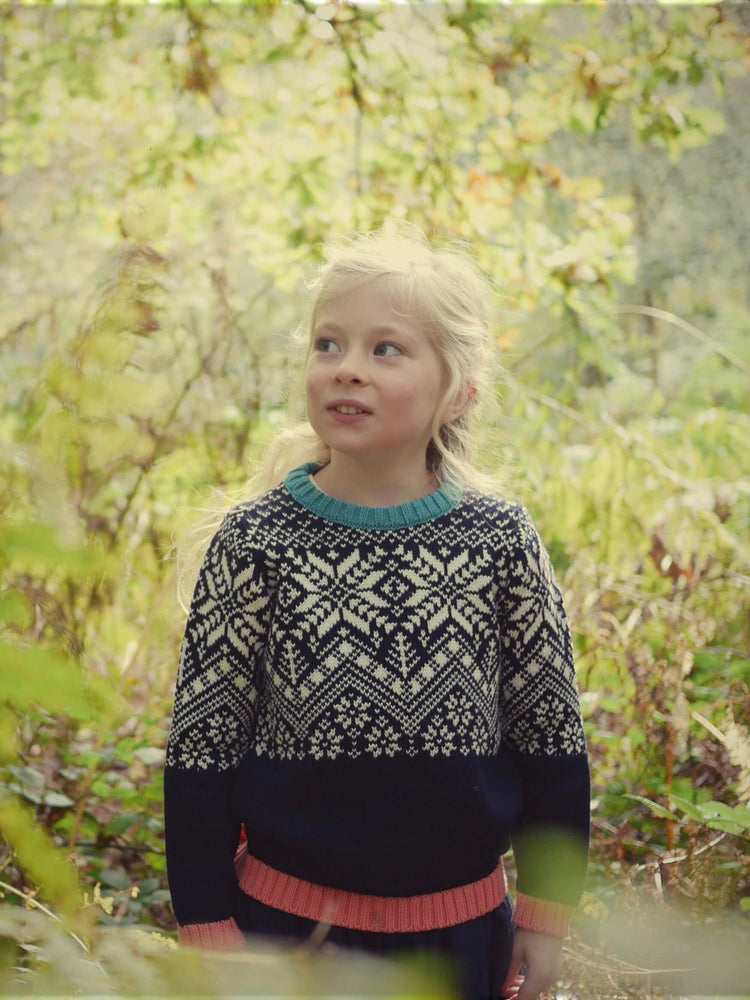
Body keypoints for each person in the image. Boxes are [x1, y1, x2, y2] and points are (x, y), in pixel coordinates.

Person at [163, 228, 590, 1000]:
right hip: (287, 936)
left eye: (385, 350)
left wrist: (546, 913)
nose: (347, 368)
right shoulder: (257, 541)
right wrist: (206, 924)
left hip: (461, 936)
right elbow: (202, 753)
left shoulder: (499, 540)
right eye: (329, 344)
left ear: (456, 388)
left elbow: (552, 743)